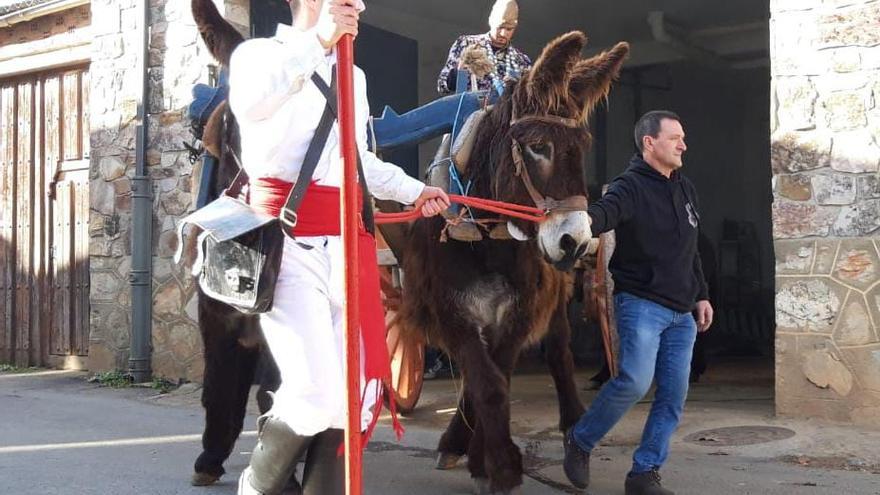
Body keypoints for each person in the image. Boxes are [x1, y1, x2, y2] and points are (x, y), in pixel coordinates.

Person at [228, 1, 450, 494]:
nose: (360, 6)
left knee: (351, 398)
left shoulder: (355, 76)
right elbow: (252, 107)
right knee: (311, 395)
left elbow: (356, 160)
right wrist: (319, 42)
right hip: (284, 242)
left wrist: (416, 190)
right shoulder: (258, 55)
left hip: (345, 248)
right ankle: (255, 485)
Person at [562, 111, 714, 495]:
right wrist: (581, 223)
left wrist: (702, 294)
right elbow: (604, 213)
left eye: (683, 137)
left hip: (683, 312)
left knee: (673, 395)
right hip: (643, 303)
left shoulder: (685, 188)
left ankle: (644, 473)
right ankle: (580, 441)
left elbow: (691, 249)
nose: (684, 145)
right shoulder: (628, 187)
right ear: (650, 143)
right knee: (633, 381)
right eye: (675, 138)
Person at [436, 0, 532, 95]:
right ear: (491, 22)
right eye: (500, 27)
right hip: (470, 108)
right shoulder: (466, 44)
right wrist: (459, 71)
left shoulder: (521, 61)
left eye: (509, 29)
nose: (503, 34)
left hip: (506, 110)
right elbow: (442, 85)